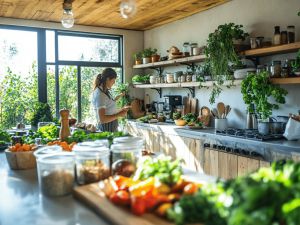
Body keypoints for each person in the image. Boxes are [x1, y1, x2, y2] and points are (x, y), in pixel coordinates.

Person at [91, 68, 129, 132]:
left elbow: (109, 109)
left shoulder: (104, 91)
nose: (114, 83)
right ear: (108, 79)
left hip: (111, 127)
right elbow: (102, 119)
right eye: (114, 80)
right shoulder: (100, 94)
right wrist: (119, 114)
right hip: (107, 129)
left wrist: (121, 110)